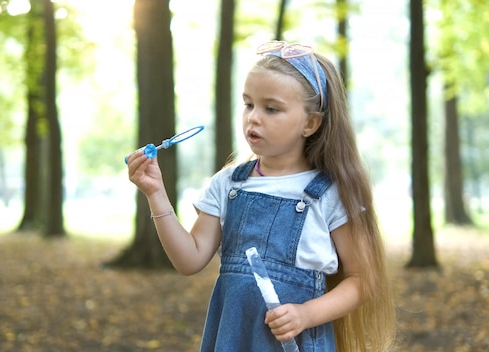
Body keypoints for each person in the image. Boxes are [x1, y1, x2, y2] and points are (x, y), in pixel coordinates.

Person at [125, 40, 396, 352]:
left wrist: (306, 314)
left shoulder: (329, 193)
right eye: (248, 104)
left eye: (271, 108)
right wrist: (156, 194)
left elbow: (362, 280)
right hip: (233, 339)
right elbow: (190, 259)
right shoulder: (228, 183)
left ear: (310, 123)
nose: (253, 117)